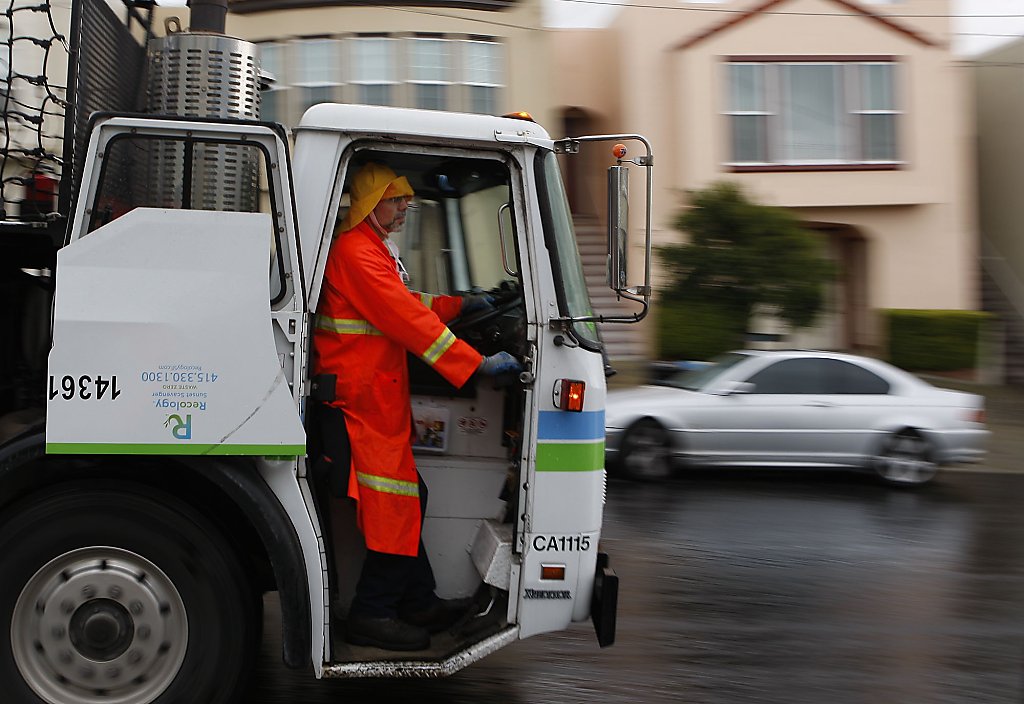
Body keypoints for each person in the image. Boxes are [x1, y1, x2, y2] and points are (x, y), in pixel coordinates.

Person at [311, 162, 521, 651]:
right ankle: (373, 612)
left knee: (409, 499)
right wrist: (476, 364)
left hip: (373, 400)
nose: (406, 205)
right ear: (371, 202)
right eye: (396, 197)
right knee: (397, 506)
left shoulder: (369, 250)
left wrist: (460, 305)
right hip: (359, 402)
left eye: (406, 197)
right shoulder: (356, 252)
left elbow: (409, 301)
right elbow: (402, 315)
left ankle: (415, 599)